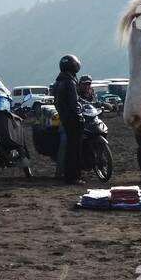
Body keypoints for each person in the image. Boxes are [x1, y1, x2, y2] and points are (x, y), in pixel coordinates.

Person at [53, 54, 84, 184]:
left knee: (69, 148)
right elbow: (73, 102)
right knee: (75, 149)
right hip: (73, 119)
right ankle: (74, 177)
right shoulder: (70, 82)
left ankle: (68, 175)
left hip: (64, 118)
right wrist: (80, 117)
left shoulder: (59, 81)